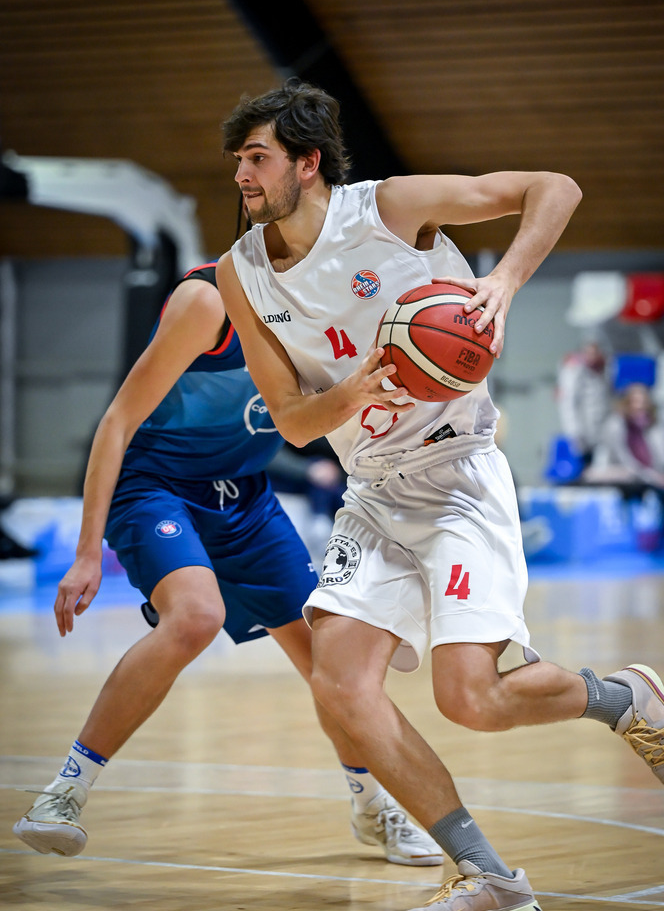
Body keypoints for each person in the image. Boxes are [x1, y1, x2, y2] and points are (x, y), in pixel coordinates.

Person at [215, 79, 664, 911]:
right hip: (371, 491)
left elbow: (556, 188)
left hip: (458, 471)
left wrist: (501, 281)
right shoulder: (238, 273)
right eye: (238, 160)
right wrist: (350, 393)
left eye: (257, 159)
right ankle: (489, 878)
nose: (241, 175)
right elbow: (288, 417)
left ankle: (621, 699)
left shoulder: (388, 208)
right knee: (340, 684)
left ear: (306, 164)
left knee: (469, 698)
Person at [11, 261, 442, 870]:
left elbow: (312, 427)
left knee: (332, 663)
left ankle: (372, 807)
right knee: (194, 618)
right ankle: (64, 793)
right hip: (156, 484)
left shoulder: (339, 319)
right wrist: (87, 553)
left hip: (246, 496)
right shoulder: (208, 301)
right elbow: (117, 422)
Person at [583, 381, 664, 554]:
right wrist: (654, 477)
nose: (639, 405)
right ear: (626, 404)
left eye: (643, 401)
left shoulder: (654, 426)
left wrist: (661, 474)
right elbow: (627, 463)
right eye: (634, 401)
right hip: (629, 476)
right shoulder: (615, 426)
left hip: (654, 475)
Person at [555, 339, 612, 471]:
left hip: (600, 431)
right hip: (581, 433)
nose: (592, 356)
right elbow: (568, 403)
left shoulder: (604, 369)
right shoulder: (573, 370)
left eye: (595, 352)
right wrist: (573, 432)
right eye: (588, 352)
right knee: (582, 469)